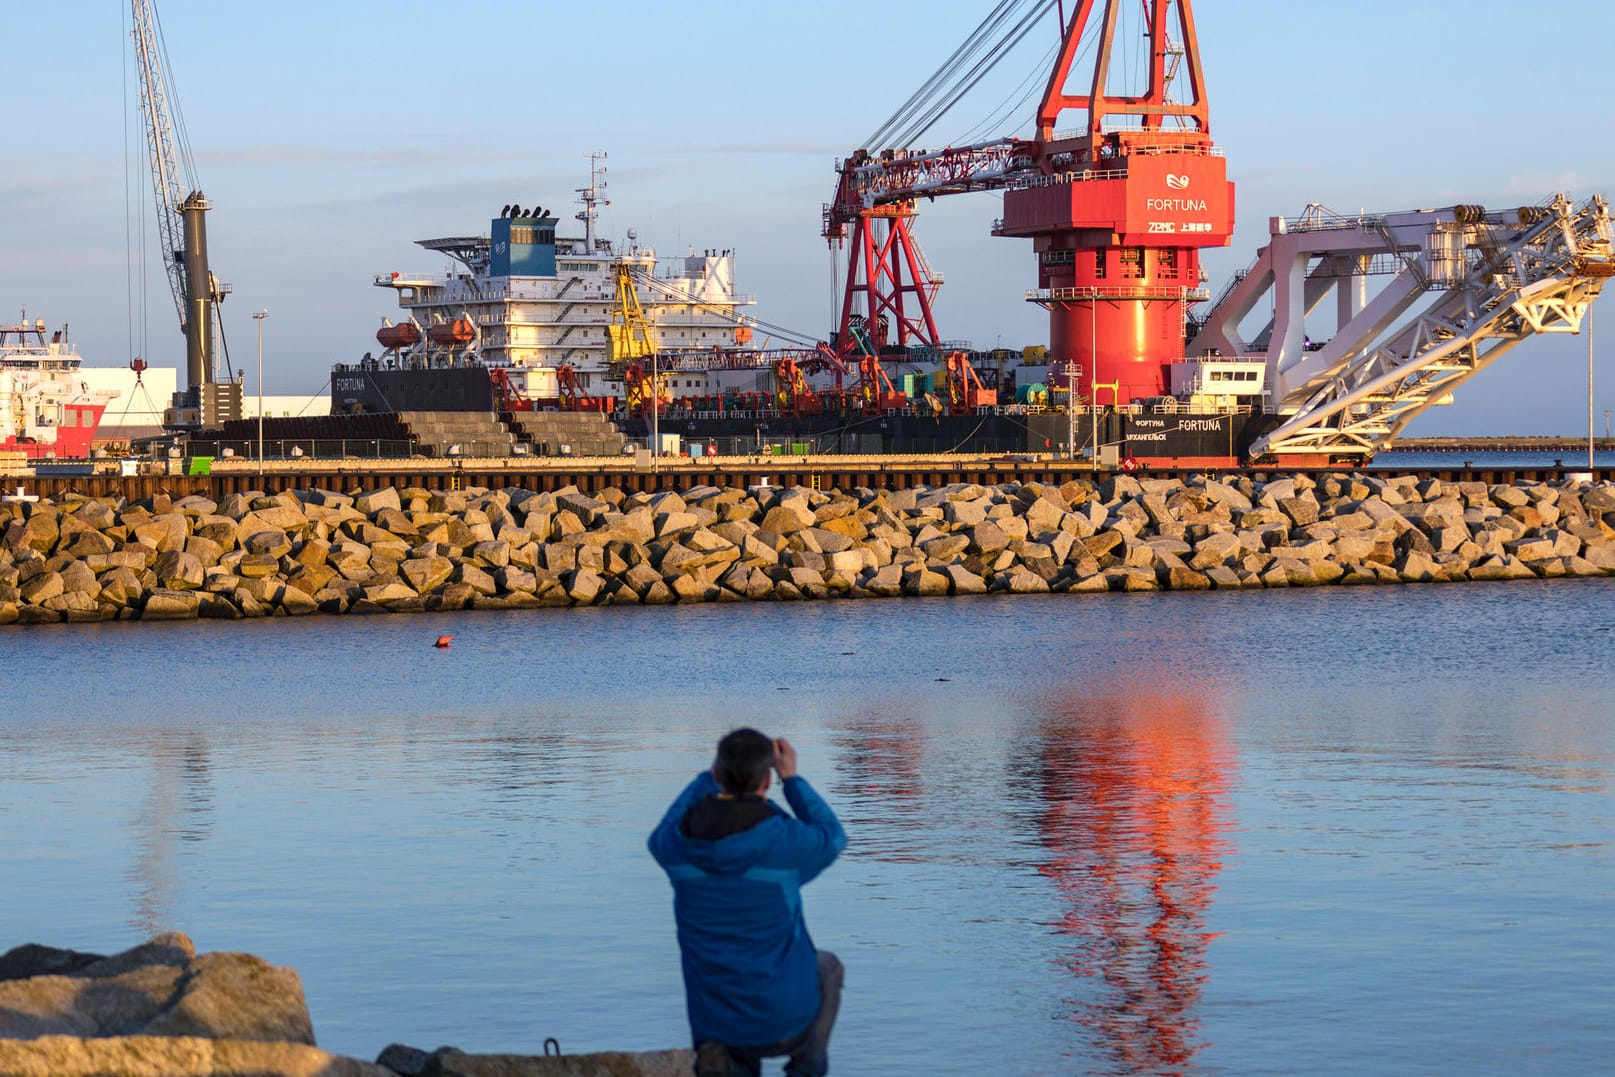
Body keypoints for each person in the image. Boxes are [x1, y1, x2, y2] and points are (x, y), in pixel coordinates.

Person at [649, 729, 847, 1077]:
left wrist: (708, 778)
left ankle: (722, 1061)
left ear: (716, 774)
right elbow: (832, 837)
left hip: (717, 1023)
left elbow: (659, 833)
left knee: (726, 1031)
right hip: (785, 1019)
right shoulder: (784, 843)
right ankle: (807, 1068)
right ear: (768, 780)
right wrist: (793, 779)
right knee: (827, 967)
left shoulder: (676, 846)